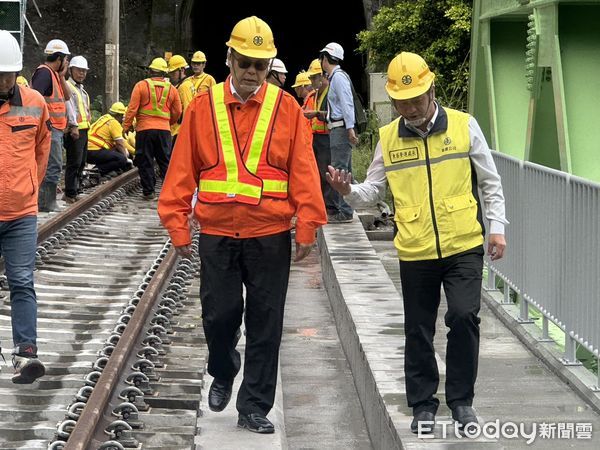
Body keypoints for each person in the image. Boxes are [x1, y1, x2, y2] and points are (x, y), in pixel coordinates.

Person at [158, 16, 326, 434]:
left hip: (269, 235)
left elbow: (304, 171)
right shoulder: (202, 106)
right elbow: (182, 170)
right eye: (245, 62)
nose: (252, 72)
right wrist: (178, 224)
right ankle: (224, 366)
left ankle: (254, 406)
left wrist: (308, 224)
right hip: (218, 234)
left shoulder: (287, 109)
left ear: (270, 67)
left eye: (261, 65)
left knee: (266, 323)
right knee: (218, 317)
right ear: (229, 58)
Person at [327, 52, 508, 435]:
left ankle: (461, 403)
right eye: (401, 101)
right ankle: (423, 405)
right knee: (418, 329)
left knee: (463, 318)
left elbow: (490, 181)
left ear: (431, 90)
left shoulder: (464, 126)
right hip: (415, 248)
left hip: (463, 243)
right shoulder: (389, 138)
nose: (409, 108)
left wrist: (497, 227)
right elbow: (373, 190)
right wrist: (348, 191)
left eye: (416, 99)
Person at [0, 30, 51, 383]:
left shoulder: (34, 102)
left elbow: (42, 149)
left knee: (21, 281)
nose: (3, 80)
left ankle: (26, 353)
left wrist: (29, 187)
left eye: (7, 73)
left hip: (20, 213)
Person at [123, 58, 182, 200]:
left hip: (144, 130)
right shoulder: (172, 89)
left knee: (145, 160)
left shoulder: (140, 86)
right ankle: (169, 192)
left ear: (150, 71)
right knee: (165, 161)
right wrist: (169, 123)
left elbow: (132, 109)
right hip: (164, 131)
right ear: (164, 72)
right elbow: (178, 111)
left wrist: (126, 126)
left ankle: (149, 191)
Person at [31, 38, 71, 212]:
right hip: (49, 129)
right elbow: (34, 100)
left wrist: (62, 76)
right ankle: (46, 203)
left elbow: (67, 96)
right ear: (60, 58)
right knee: (52, 165)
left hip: (55, 128)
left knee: (53, 164)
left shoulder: (53, 75)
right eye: (66, 59)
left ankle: (46, 202)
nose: (67, 62)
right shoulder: (44, 73)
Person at [319, 42, 357, 224]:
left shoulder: (339, 78)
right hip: (339, 127)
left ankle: (345, 211)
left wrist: (350, 128)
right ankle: (346, 208)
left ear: (325, 59)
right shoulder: (336, 77)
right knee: (344, 170)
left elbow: (346, 103)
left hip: (340, 129)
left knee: (339, 170)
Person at [303, 58, 335, 215]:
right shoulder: (314, 95)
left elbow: (335, 114)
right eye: (310, 78)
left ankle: (330, 207)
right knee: (317, 173)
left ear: (323, 76)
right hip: (316, 137)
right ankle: (322, 204)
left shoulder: (331, 92)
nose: (311, 81)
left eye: (314, 77)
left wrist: (316, 114)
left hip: (327, 137)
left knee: (326, 172)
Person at [64, 56, 91, 203]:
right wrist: (73, 126)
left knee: (81, 162)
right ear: (71, 70)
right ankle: (70, 192)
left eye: (84, 71)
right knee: (74, 162)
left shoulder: (82, 91)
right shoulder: (68, 87)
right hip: (75, 131)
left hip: (84, 130)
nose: (82, 74)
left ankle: (75, 189)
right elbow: (70, 109)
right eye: (79, 70)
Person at [87, 102, 133, 176]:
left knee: (116, 153)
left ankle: (100, 169)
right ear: (119, 115)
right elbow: (119, 144)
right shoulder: (114, 123)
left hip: (87, 150)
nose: (123, 119)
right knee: (121, 159)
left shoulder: (105, 117)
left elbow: (120, 143)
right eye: (122, 116)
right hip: (94, 150)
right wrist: (126, 159)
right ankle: (96, 171)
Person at [168, 54, 194, 148]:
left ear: (182, 70)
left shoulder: (184, 87)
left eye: (173, 72)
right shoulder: (184, 85)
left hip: (179, 132)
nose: (171, 76)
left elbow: (187, 111)